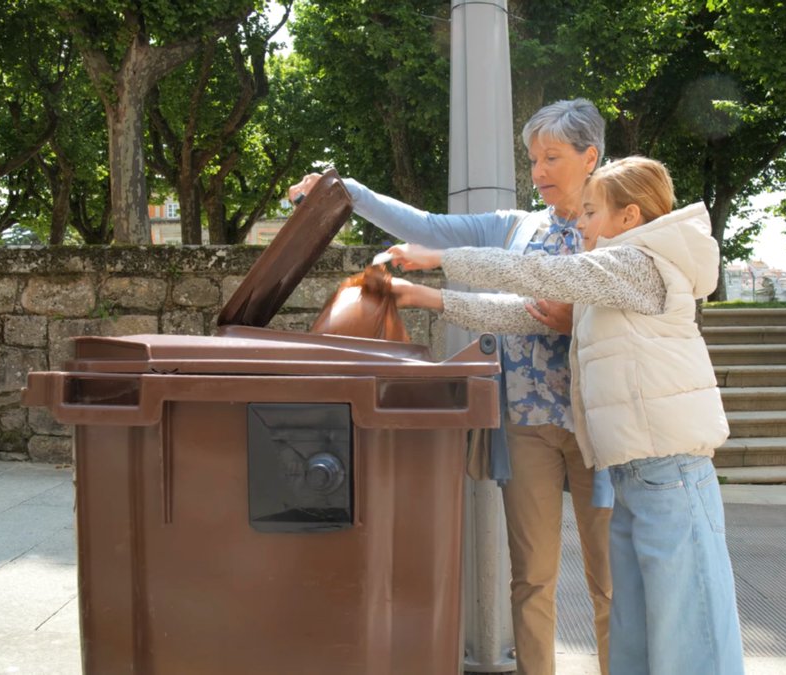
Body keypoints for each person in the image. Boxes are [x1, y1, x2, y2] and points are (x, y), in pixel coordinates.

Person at [386, 156, 746, 675]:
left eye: (592, 211)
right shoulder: (612, 279)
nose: (578, 222)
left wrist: (442, 256)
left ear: (629, 216)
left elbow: (539, 272)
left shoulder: (635, 265)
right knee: (641, 630)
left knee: (689, 633)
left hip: (668, 473)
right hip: (638, 473)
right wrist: (427, 297)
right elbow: (523, 312)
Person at [288, 99, 612, 675]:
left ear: (591, 157)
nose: (538, 172)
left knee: (610, 577)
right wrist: (347, 191)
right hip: (528, 422)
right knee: (532, 576)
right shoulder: (516, 226)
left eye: (552, 158)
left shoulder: (618, 227)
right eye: (533, 158)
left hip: (602, 424)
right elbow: (429, 230)